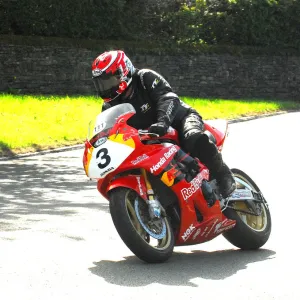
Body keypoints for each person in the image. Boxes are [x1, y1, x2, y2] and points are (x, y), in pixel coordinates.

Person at [91, 50, 236, 198]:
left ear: (123, 72)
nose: (105, 87)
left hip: (180, 120)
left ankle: (223, 175)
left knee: (194, 137)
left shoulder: (144, 78)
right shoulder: (109, 107)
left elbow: (167, 97)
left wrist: (163, 122)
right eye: (101, 84)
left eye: (108, 81)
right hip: (150, 139)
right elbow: (111, 132)